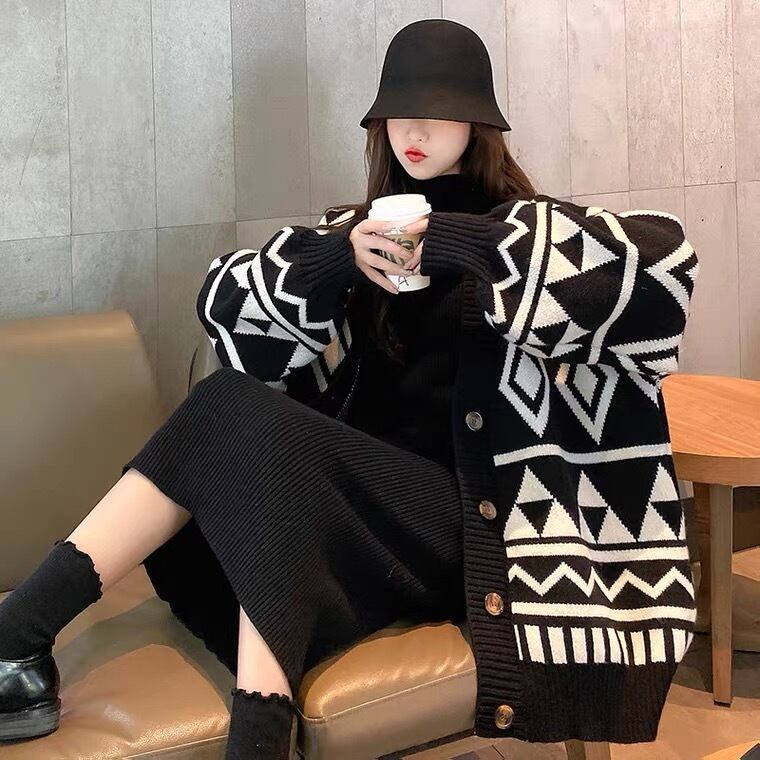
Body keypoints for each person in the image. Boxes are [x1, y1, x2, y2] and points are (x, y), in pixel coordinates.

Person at [0, 18, 699, 760]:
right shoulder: (355, 231)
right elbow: (227, 314)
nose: (414, 132)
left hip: (466, 524)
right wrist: (336, 261)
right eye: (399, 114)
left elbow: (663, 273)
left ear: (478, 126)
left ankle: (17, 638)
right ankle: (53, 662)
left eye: (439, 115)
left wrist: (453, 242)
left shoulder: (530, 233)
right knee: (236, 409)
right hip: (354, 513)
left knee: (268, 448)